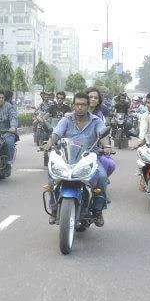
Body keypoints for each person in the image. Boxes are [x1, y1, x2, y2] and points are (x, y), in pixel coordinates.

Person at [42, 91, 112, 226]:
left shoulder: (96, 121)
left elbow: (102, 134)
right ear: (73, 105)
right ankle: (54, 209)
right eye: (77, 104)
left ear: (88, 106)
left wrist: (107, 146)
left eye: (83, 105)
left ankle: (98, 210)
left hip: (89, 157)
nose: (80, 107)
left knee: (102, 177)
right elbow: (57, 133)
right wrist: (50, 143)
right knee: (52, 174)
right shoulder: (66, 120)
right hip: (67, 157)